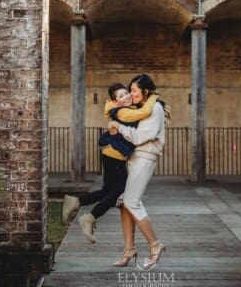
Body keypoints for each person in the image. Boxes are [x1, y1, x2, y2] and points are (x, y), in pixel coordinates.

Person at [61, 82, 158, 244]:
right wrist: (154, 97)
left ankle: (76, 202)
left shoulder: (126, 110)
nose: (126, 97)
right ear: (115, 102)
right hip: (115, 156)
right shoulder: (124, 113)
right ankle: (90, 217)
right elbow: (146, 111)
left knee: (108, 190)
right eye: (121, 96)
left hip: (113, 155)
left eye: (126, 93)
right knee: (120, 192)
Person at [108, 73, 169, 269]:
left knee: (131, 202)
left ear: (146, 91)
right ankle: (129, 249)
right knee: (124, 204)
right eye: (130, 90)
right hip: (135, 158)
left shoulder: (156, 108)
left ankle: (155, 244)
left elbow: (139, 137)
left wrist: (119, 126)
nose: (131, 94)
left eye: (134, 90)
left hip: (145, 158)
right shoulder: (142, 109)